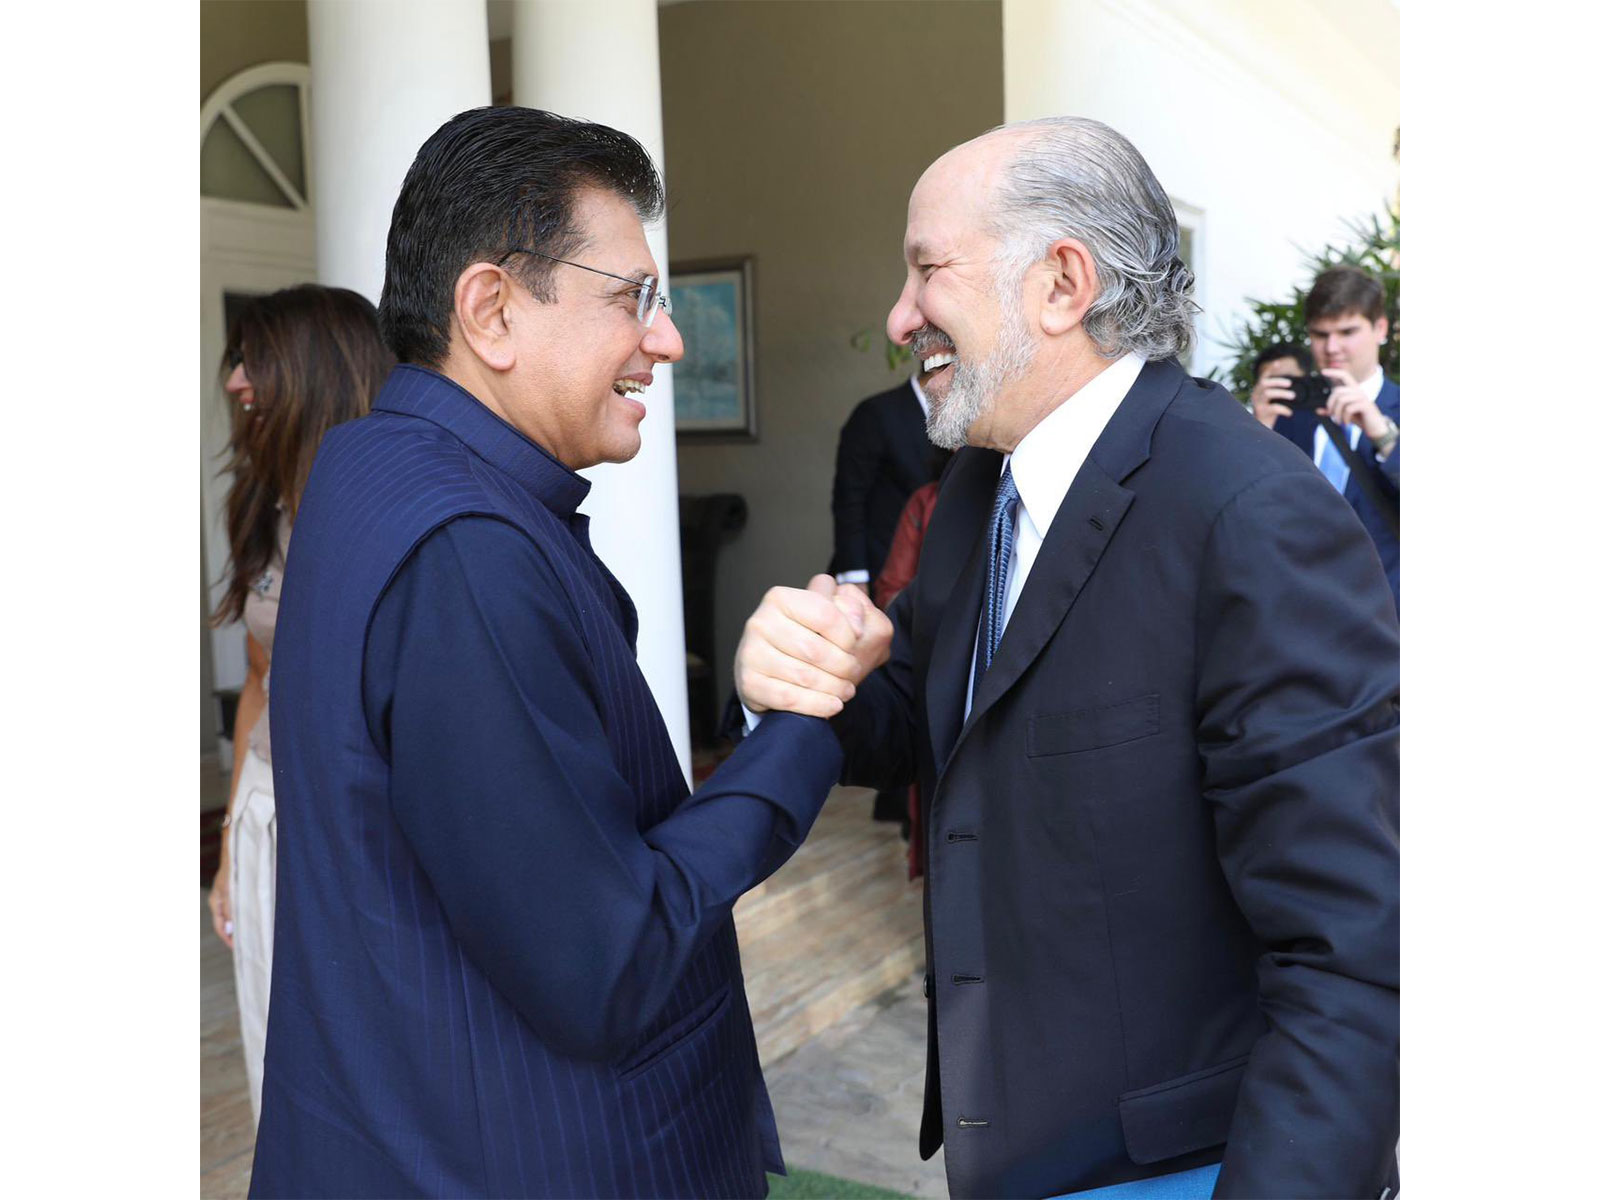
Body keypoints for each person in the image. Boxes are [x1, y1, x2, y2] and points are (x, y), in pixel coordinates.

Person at [736, 117, 1399, 1198]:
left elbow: (1352, 960)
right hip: (1009, 1149)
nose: (898, 316)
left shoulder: (1252, 515)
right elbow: (929, 708)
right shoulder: (978, 485)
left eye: (924, 270)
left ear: (1060, 284)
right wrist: (814, 671)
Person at [248, 107, 875, 1200]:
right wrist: (799, 728)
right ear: (490, 309)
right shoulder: (462, 550)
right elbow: (608, 963)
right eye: (633, 298)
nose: (667, 339)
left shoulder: (363, 464)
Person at [204, 283, 392, 1124]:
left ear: (316, 369)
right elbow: (257, 675)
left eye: (254, 360)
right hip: (267, 811)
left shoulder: (387, 509)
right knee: (276, 1060)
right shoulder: (265, 505)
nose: (237, 382)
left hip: (358, 825)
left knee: (366, 1078)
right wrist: (228, 850)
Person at [1250, 266, 1400, 607]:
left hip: (1387, 613)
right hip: (1300, 608)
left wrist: (1383, 434)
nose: (1332, 347)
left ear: (1380, 328)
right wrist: (1257, 432)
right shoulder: (1285, 411)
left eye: (1347, 331)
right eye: (1320, 334)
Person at [830, 368, 941, 827]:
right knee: (886, 682)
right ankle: (894, 803)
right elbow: (849, 499)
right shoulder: (876, 413)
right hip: (880, 571)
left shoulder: (967, 411)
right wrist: (854, 579)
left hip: (931, 565)